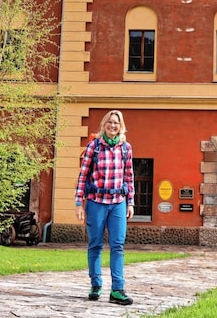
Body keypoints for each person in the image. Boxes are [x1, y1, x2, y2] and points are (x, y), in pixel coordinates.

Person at [75, 109, 135, 305]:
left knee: (118, 246)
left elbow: (129, 177)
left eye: (116, 123)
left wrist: (131, 202)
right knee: (95, 245)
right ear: (104, 125)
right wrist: (79, 203)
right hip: (95, 203)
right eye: (109, 122)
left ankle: (117, 289)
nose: (112, 126)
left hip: (118, 203)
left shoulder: (125, 148)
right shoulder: (94, 146)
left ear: (121, 126)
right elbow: (83, 176)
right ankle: (95, 284)